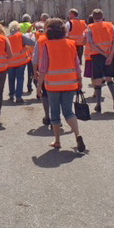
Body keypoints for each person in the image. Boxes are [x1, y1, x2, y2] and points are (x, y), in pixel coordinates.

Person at [37, 18, 86, 152]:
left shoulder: (47, 45)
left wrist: (39, 85)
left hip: (53, 85)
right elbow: (77, 65)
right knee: (68, 111)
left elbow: (43, 68)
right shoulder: (71, 44)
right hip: (70, 84)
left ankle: (57, 140)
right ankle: (77, 134)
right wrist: (79, 80)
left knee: (55, 112)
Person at [87, 9, 114, 112]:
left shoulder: (90, 27)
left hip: (97, 56)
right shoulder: (111, 26)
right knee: (109, 78)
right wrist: (110, 55)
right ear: (103, 16)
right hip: (109, 54)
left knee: (98, 79)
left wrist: (103, 54)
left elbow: (91, 44)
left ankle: (98, 104)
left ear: (93, 17)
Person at [7, 21, 36, 104]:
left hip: (10, 62)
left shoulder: (7, 37)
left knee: (11, 79)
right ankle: (18, 97)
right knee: (20, 79)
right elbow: (32, 42)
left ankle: (11, 94)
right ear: (18, 28)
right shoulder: (21, 35)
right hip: (20, 62)